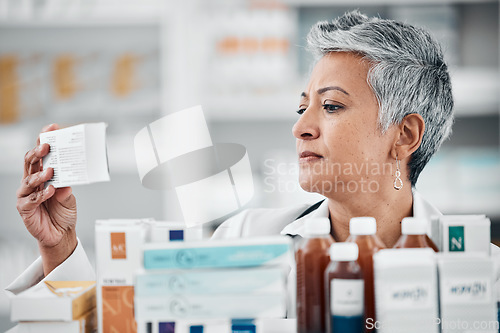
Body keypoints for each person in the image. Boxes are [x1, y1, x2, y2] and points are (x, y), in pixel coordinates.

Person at [7, 10, 500, 309]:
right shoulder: (245, 240)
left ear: (405, 134)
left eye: (330, 106)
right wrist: (60, 250)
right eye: (301, 106)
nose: (301, 126)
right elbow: (124, 324)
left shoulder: (485, 272)